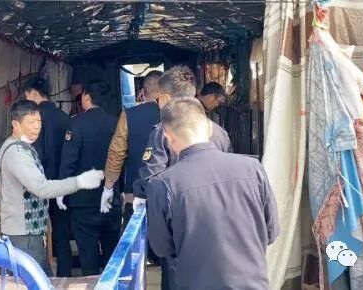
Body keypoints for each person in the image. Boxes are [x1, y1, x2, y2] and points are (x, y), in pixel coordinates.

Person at [146, 98, 279, 290]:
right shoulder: (253, 168)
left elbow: (162, 248)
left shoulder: (163, 184)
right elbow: (271, 232)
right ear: (209, 129)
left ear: (168, 137)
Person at [132, 65, 231, 290]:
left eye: (158, 97)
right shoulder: (219, 132)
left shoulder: (162, 132)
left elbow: (152, 180)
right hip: (218, 227)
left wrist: (138, 191)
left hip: (179, 230)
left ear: (165, 98)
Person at [0, 100, 104, 276]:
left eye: (38, 121)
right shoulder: (17, 153)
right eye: (30, 122)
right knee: (34, 280)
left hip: (28, 231)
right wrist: (79, 182)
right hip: (24, 234)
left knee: (37, 279)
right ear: (15, 124)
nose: (36, 127)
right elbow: (41, 188)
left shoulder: (21, 147)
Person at [58, 80, 120, 276]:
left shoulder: (76, 123)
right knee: (112, 257)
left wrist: (61, 190)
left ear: (86, 97)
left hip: (82, 202)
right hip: (110, 199)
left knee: (88, 259)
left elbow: (68, 161)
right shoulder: (116, 123)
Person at [21, 75, 73, 277]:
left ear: (34, 94)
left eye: (27, 96)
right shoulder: (64, 117)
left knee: (36, 234)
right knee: (61, 234)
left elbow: (32, 154)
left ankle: (40, 277)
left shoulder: (32, 120)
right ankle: (64, 276)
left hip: (39, 186)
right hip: (62, 183)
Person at [100, 71, 162, 224]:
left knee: (135, 237)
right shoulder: (177, 116)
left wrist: (108, 187)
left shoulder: (129, 115)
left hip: (136, 195)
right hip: (169, 194)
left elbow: (117, 153)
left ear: (143, 92)